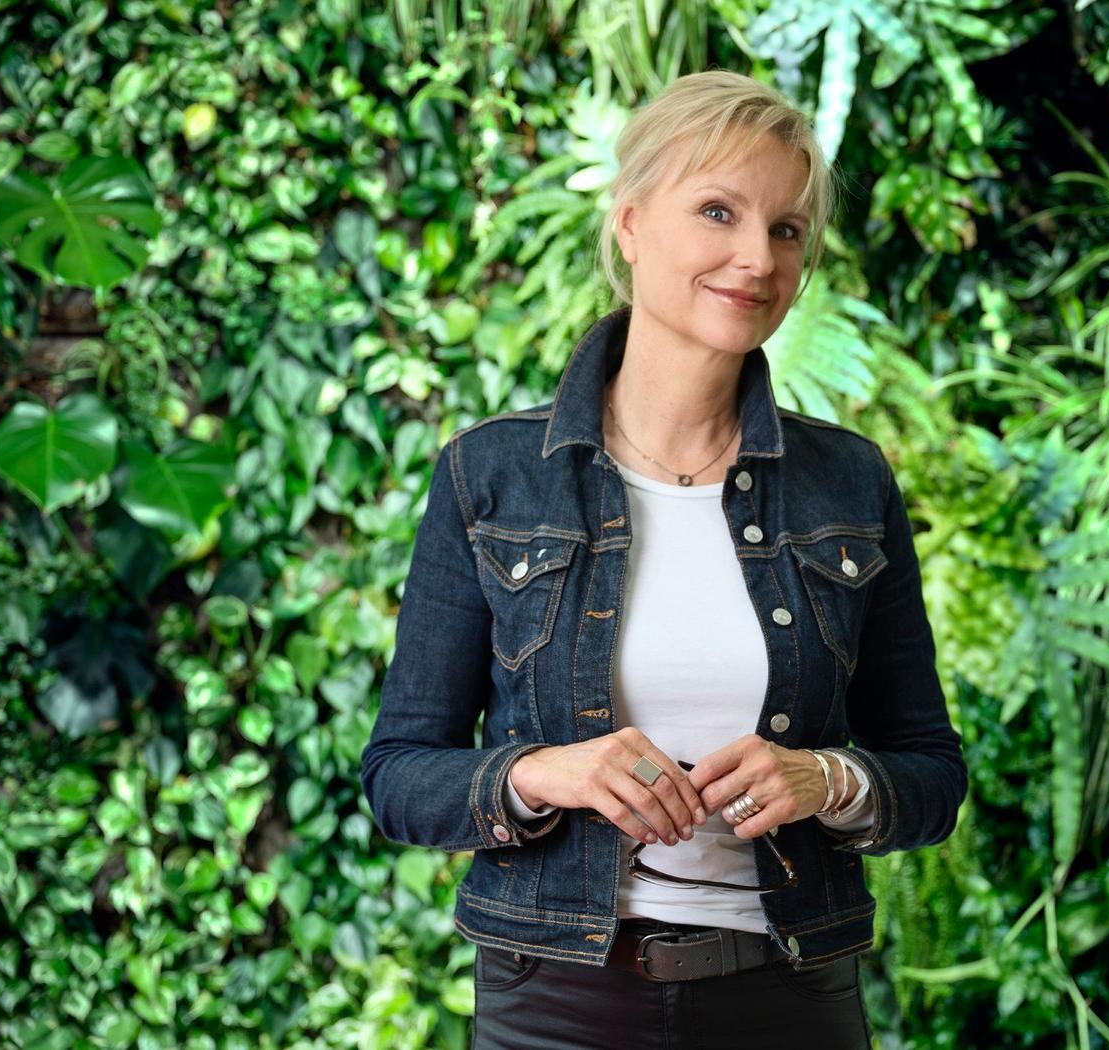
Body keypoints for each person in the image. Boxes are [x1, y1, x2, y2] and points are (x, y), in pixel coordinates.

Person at [361, 68, 968, 1050]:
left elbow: (929, 775)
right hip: (556, 1001)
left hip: (789, 1000)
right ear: (631, 223)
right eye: (717, 212)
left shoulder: (847, 484)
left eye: (784, 229)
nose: (755, 257)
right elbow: (399, 774)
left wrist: (828, 781)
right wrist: (550, 773)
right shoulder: (490, 476)